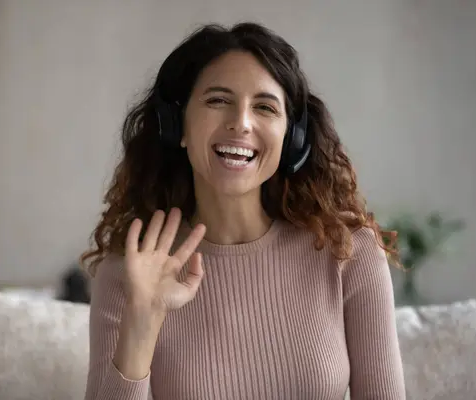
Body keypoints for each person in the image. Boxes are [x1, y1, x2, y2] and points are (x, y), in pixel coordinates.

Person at [80, 21, 406, 400]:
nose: (241, 123)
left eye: (265, 107)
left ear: (291, 139)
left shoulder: (348, 252)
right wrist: (142, 320)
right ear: (177, 126)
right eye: (218, 100)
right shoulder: (129, 272)